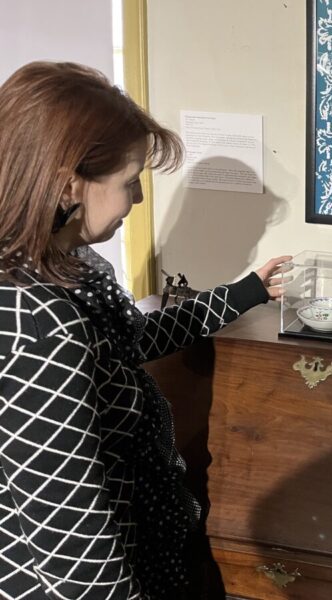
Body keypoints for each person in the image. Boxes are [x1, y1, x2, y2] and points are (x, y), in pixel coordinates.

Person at [0, 61, 291, 599]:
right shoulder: (38, 323)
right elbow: (74, 549)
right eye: (129, 182)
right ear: (67, 185)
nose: (136, 201)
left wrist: (245, 291)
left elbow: (133, 341)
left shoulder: (59, 267)